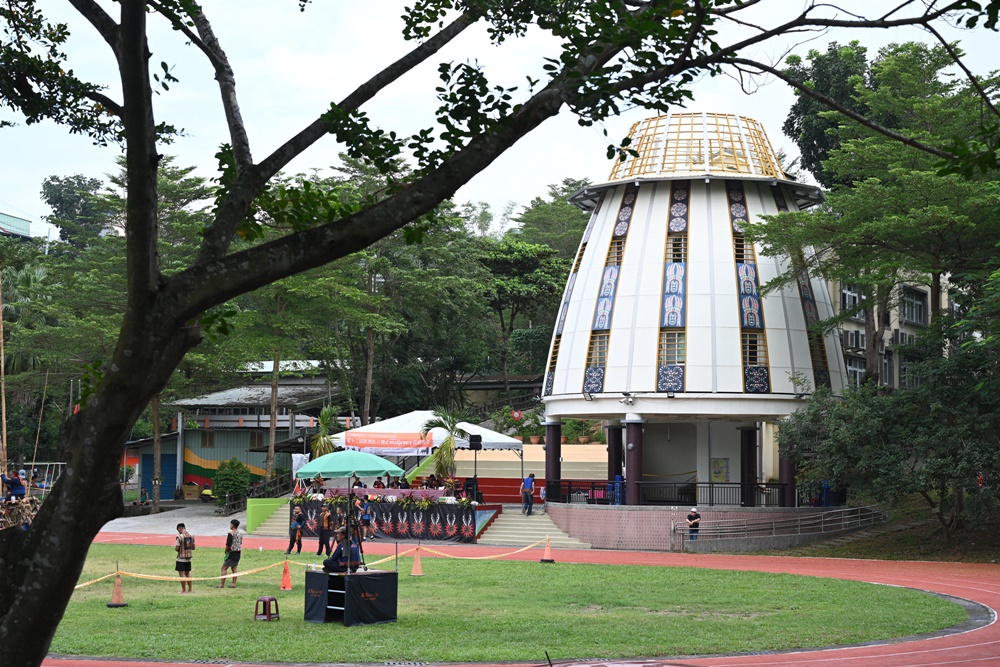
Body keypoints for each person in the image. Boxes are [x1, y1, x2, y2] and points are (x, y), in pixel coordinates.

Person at [219, 519, 243, 587]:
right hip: (238, 552)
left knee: (224, 568)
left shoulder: (230, 534)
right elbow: (240, 542)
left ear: (232, 525)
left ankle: (221, 584)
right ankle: (233, 584)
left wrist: (226, 551)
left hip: (231, 552)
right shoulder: (240, 534)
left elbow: (228, 544)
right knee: (234, 568)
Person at [175, 523, 195, 593]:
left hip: (181, 558)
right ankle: (190, 589)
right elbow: (193, 547)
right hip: (188, 558)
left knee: (182, 574)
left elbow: (177, 548)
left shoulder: (179, 537)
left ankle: (183, 590)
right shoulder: (191, 536)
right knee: (188, 574)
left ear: (180, 529)